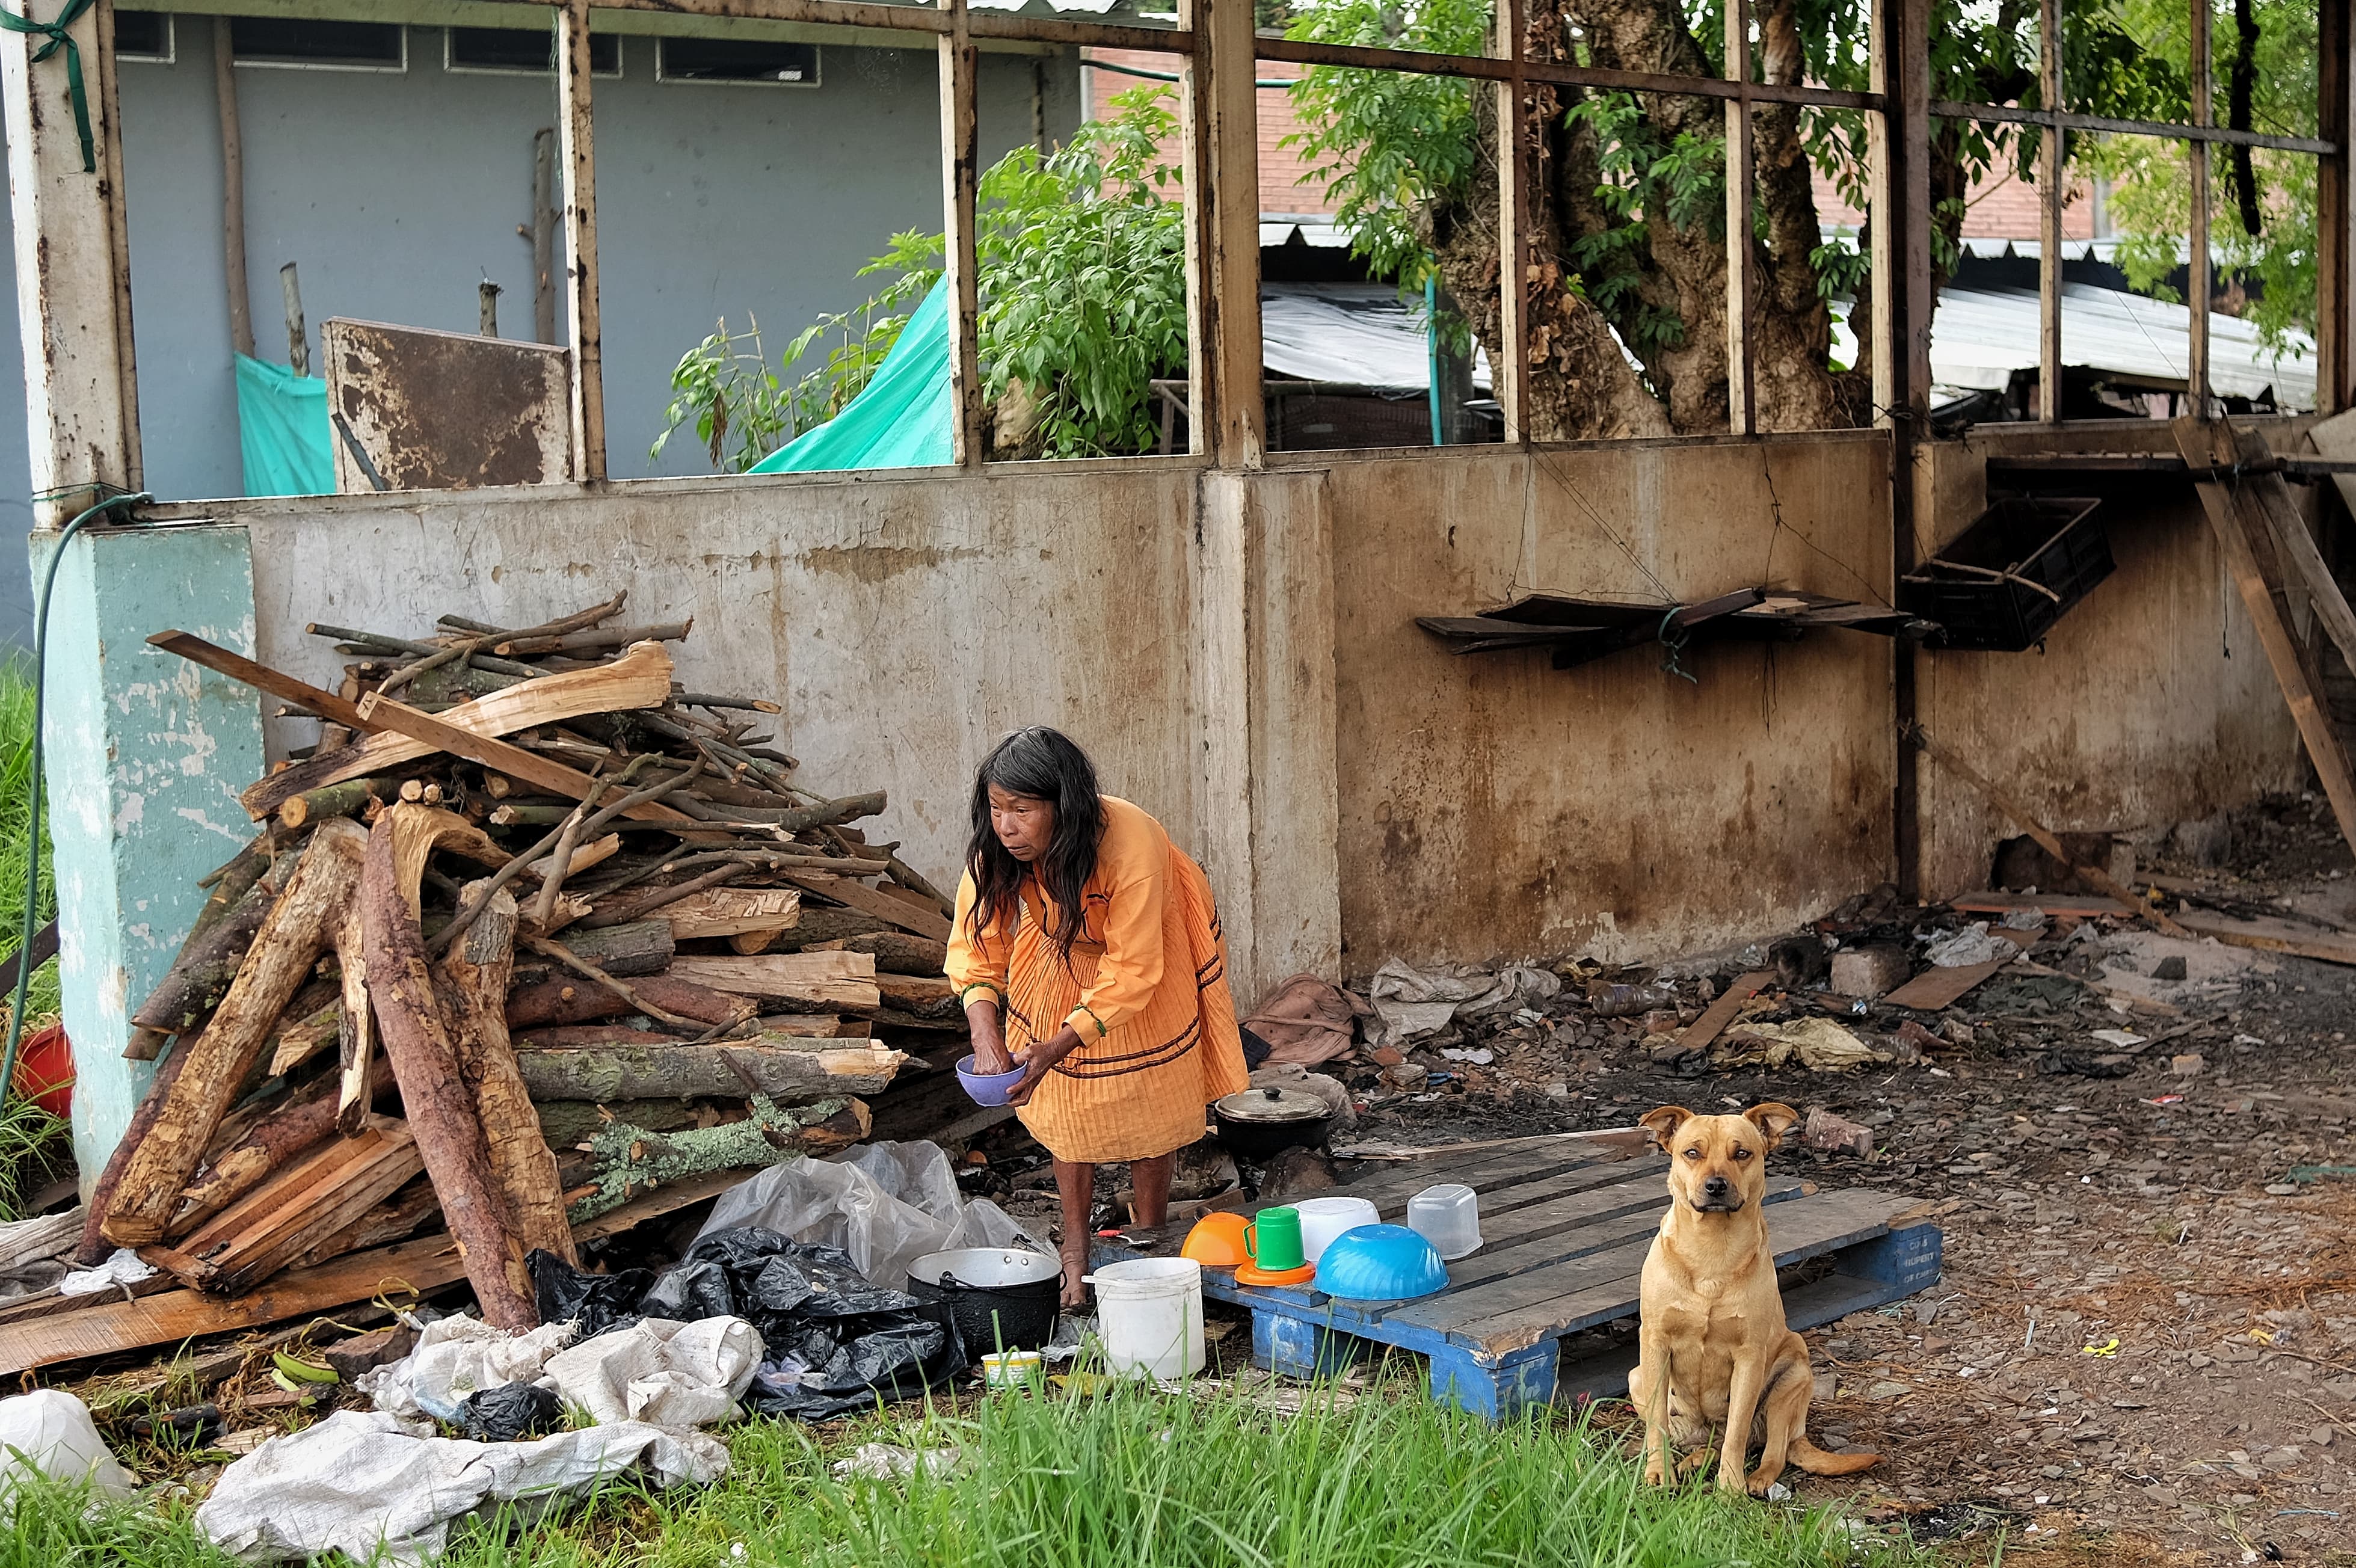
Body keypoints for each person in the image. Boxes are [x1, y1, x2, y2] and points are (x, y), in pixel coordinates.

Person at [946, 727, 1250, 1308]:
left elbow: (1134, 969)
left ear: (1065, 806)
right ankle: (1076, 1252)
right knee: (1068, 1107)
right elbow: (975, 949)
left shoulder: (1129, 842)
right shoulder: (996, 849)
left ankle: (1152, 1236)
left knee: (1148, 1092)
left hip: (1142, 950)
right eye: (996, 809)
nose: (1006, 826)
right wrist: (987, 1041)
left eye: (1022, 810)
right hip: (1058, 946)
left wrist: (1056, 1044)